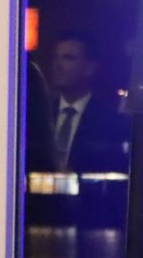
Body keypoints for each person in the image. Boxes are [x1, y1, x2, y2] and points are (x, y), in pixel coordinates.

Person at [47, 32, 128, 174]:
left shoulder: (108, 121)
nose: (57, 66)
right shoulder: (42, 115)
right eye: (55, 58)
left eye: (68, 58)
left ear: (89, 68)